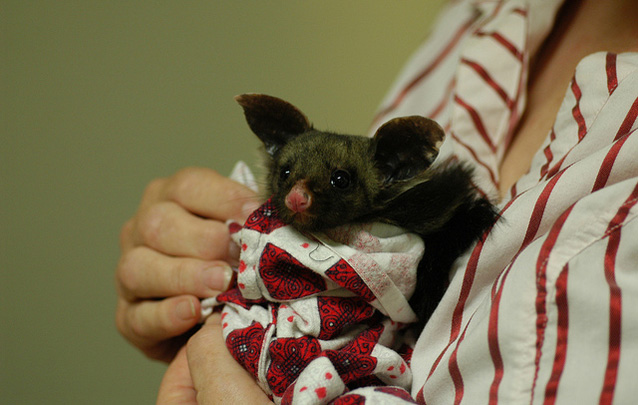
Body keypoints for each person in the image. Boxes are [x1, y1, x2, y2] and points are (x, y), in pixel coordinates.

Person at [116, 0, 638, 403]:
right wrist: (195, 285)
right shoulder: (474, 20)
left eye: (338, 182)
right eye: (290, 175)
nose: (299, 195)